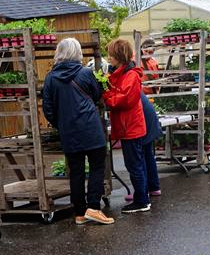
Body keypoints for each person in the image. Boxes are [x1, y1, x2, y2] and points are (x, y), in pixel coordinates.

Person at [41, 38, 114, 226]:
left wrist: (62, 123)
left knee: (76, 172)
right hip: (91, 128)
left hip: (69, 132)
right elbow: (98, 95)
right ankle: (94, 208)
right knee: (97, 166)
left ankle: (80, 213)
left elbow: (48, 109)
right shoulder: (85, 73)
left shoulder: (50, 78)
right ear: (77, 53)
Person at [103, 38, 151, 214]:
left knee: (135, 165)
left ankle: (142, 200)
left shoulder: (130, 76)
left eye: (111, 55)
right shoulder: (123, 73)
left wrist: (106, 96)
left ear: (119, 56)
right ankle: (142, 197)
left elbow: (124, 100)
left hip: (131, 127)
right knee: (136, 164)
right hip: (129, 126)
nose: (109, 59)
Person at [123, 93, 163, 203]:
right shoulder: (132, 79)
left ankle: (142, 192)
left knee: (140, 156)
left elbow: (123, 101)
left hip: (141, 119)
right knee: (147, 154)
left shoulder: (125, 80)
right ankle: (153, 188)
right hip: (148, 117)